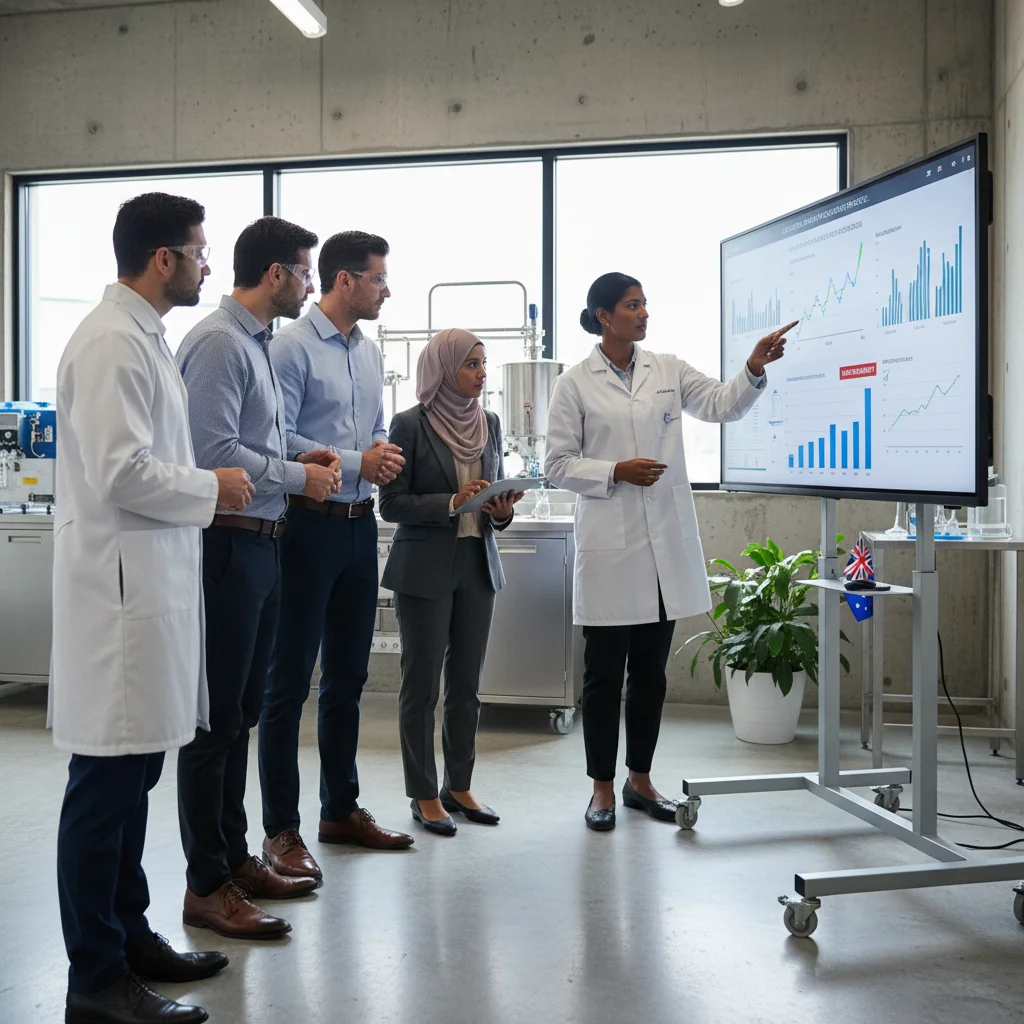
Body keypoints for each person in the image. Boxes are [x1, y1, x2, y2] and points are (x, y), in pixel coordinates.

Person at [51, 192, 256, 1024]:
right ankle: (95, 981)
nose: (208, 265)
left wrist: (205, 490)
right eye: (200, 251)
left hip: (149, 594)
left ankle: (131, 939)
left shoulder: (144, 336)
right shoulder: (110, 342)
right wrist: (215, 486)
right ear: (163, 258)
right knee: (104, 791)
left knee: (134, 781)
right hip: (119, 605)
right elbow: (121, 471)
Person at [544, 272, 794, 832]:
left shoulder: (668, 369)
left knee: (650, 677)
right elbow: (556, 465)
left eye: (645, 304)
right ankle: (601, 789)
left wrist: (753, 368)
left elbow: (724, 405)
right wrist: (615, 471)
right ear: (604, 316)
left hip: (662, 553)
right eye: (632, 305)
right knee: (602, 679)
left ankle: (640, 781)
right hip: (610, 552)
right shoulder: (573, 384)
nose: (643, 313)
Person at [175, 217, 343, 939]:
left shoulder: (259, 344)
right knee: (214, 723)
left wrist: (308, 462)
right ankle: (205, 884)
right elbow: (213, 451)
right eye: (305, 271)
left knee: (240, 715)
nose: (309, 285)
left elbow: (261, 441)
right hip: (227, 545)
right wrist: (298, 477)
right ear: (276, 274)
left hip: (263, 543)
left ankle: (234, 859)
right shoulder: (219, 343)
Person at [258, 230, 413, 878]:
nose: (386, 290)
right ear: (344, 280)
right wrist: (356, 460)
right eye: (378, 279)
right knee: (287, 683)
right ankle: (280, 830)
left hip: (358, 526)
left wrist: (380, 455)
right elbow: (278, 437)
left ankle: (339, 810)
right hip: (305, 525)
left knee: (348, 678)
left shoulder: (369, 353)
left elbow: (372, 426)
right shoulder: (291, 347)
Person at [379, 329, 524, 836]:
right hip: (424, 568)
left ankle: (458, 786)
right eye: (471, 364)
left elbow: (494, 499)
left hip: (477, 563)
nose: (482, 373)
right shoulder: (409, 424)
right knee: (421, 687)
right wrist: (451, 501)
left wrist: (500, 510)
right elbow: (390, 504)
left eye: (484, 363)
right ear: (444, 370)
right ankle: (423, 793)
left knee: (466, 686)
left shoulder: (490, 423)